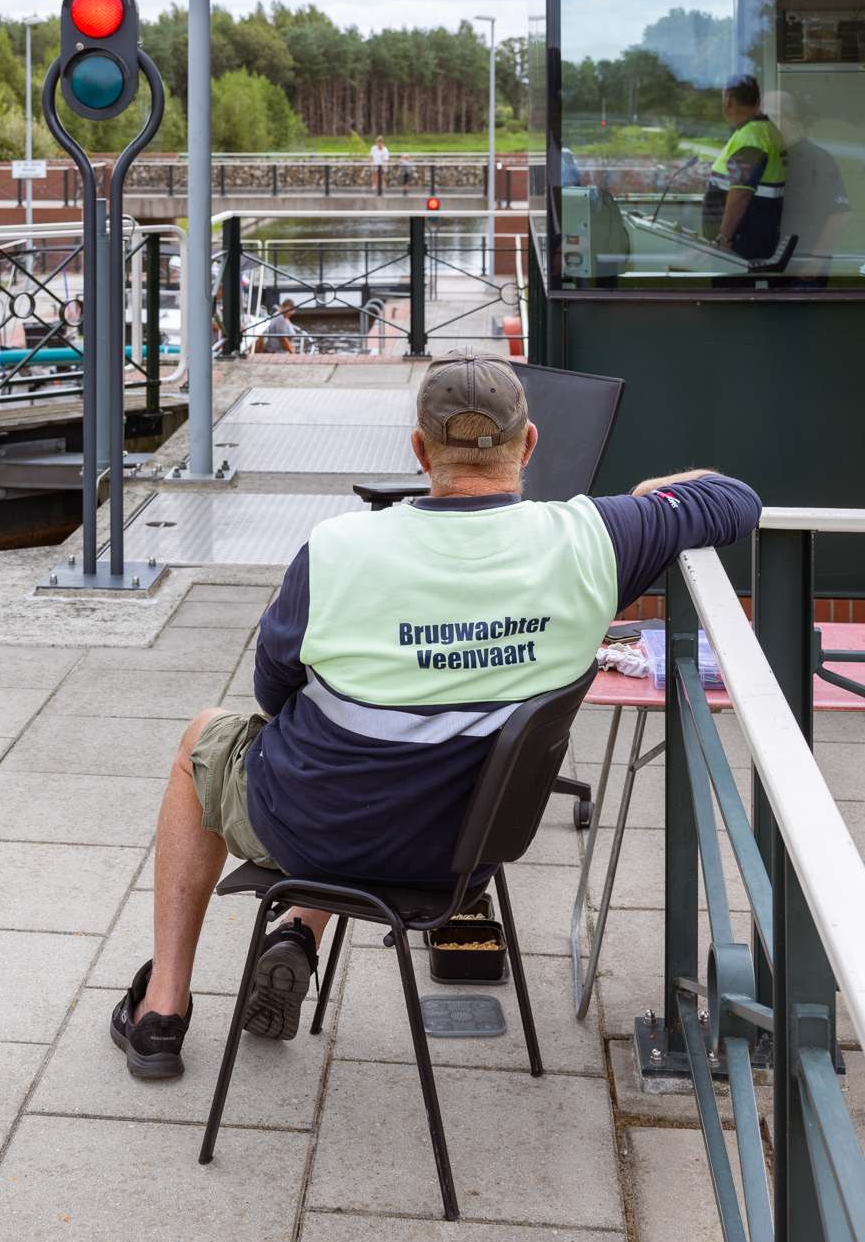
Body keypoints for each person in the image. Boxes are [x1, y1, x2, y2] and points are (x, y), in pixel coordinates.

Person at [110, 352, 762, 1076]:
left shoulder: (337, 550)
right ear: (531, 443)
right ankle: (298, 928)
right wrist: (649, 500)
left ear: (418, 450)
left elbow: (273, 694)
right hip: (466, 847)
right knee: (398, 754)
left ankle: (162, 1008)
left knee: (208, 738)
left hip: (320, 827)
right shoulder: (596, 539)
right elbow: (735, 500)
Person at [768, 90, 853, 283]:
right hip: (774, 267)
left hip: (802, 270)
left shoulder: (817, 159)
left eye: (768, 116)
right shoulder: (775, 156)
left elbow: (840, 214)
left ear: (787, 119)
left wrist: (816, 261)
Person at [704, 74, 787, 262]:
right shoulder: (764, 131)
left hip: (738, 247)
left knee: (735, 291)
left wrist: (724, 239)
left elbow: (741, 192)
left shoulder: (751, 136)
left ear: (728, 100)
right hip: (750, 241)